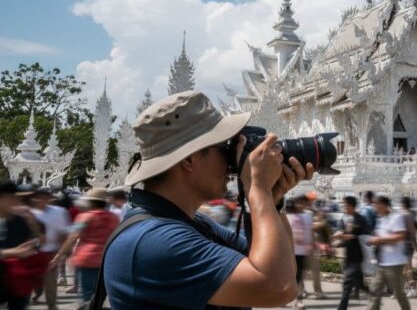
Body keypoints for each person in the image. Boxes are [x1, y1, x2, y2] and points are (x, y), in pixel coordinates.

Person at [102, 90, 313, 309]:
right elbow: (278, 288)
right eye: (225, 148)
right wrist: (258, 189)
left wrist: (273, 201)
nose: (231, 161)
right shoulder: (152, 241)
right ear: (190, 160)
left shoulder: (194, 224)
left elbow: (279, 265)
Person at [50, 188, 118, 302]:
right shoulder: (113, 217)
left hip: (86, 259)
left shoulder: (85, 217)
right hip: (106, 259)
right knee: (100, 294)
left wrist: (59, 255)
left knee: (87, 294)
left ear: (91, 202)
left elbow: (73, 237)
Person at [365, 195, 410, 310]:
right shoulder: (381, 219)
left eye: (377, 204)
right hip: (382, 263)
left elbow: (401, 235)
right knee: (374, 292)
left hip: (394, 263)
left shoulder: (396, 217)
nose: (375, 207)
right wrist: (374, 241)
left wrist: (380, 240)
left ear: (384, 205)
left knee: (399, 294)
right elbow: (382, 237)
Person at [1, 181, 40, 310]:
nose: (15, 200)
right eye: (12, 197)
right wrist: (12, 253)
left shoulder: (20, 221)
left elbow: (34, 244)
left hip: (17, 284)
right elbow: (17, 251)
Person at [29, 188, 70, 310]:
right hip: (33, 253)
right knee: (35, 281)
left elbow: (64, 233)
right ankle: (37, 292)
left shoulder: (59, 212)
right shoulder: (29, 213)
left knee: (51, 284)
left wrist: (61, 253)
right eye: (39, 197)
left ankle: (52, 306)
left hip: (51, 253)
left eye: (45, 197)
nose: (42, 200)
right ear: (34, 199)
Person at [334, 196, 368, 310]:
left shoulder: (360, 219)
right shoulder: (343, 219)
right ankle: (371, 292)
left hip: (358, 255)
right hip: (347, 255)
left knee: (347, 281)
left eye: (345, 205)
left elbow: (364, 236)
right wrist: (337, 236)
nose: (343, 207)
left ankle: (342, 307)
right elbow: (339, 230)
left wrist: (344, 236)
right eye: (343, 204)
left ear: (352, 206)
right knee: (359, 283)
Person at [286, 198, 313, 309]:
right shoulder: (287, 217)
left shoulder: (307, 216)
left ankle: (297, 300)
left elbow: (309, 232)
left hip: (301, 252)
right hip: (289, 252)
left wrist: (312, 244)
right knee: (290, 277)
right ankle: (289, 299)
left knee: (298, 277)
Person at [400, 196, 417, 297]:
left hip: (404, 244)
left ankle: (412, 289)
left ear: (403, 204)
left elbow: (411, 231)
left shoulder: (405, 215)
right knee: (406, 268)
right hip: (408, 244)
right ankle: (410, 288)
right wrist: (416, 246)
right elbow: (413, 232)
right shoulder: (411, 214)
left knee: (407, 268)